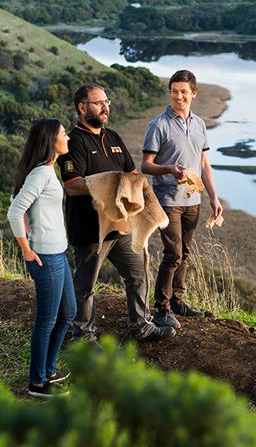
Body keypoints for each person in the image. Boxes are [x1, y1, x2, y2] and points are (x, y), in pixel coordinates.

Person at [58, 83, 174, 342]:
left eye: (106, 102)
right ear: (82, 108)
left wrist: (133, 188)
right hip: (90, 230)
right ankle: (83, 336)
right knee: (85, 286)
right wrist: (113, 182)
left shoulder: (113, 137)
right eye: (99, 103)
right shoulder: (73, 142)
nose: (105, 107)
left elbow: (132, 175)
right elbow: (73, 185)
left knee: (138, 274)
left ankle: (141, 326)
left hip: (121, 226)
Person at [141, 70, 223, 329]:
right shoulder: (158, 124)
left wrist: (214, 198)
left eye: (184, 92)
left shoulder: (199, 124)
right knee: (173, 253)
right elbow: (145, 165)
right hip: (167, 199)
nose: (178, 97)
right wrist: (169, 169)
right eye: (174, 91)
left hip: (193, 200)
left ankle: (177, 301)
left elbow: (205, 164)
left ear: (194, 94)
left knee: (185, 253)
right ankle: (161, 308)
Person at [7, 118, 76, 398]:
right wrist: (26, 248)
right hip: (46, 256)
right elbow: (14, 211)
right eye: (63, 134)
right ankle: (37, 383)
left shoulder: (46, 170)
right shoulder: (42, 174)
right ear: (51, 141)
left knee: (68, 312)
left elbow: (16, 202)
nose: (67, 138)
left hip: (58, 253)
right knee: (46, 321)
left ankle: (48, 370)